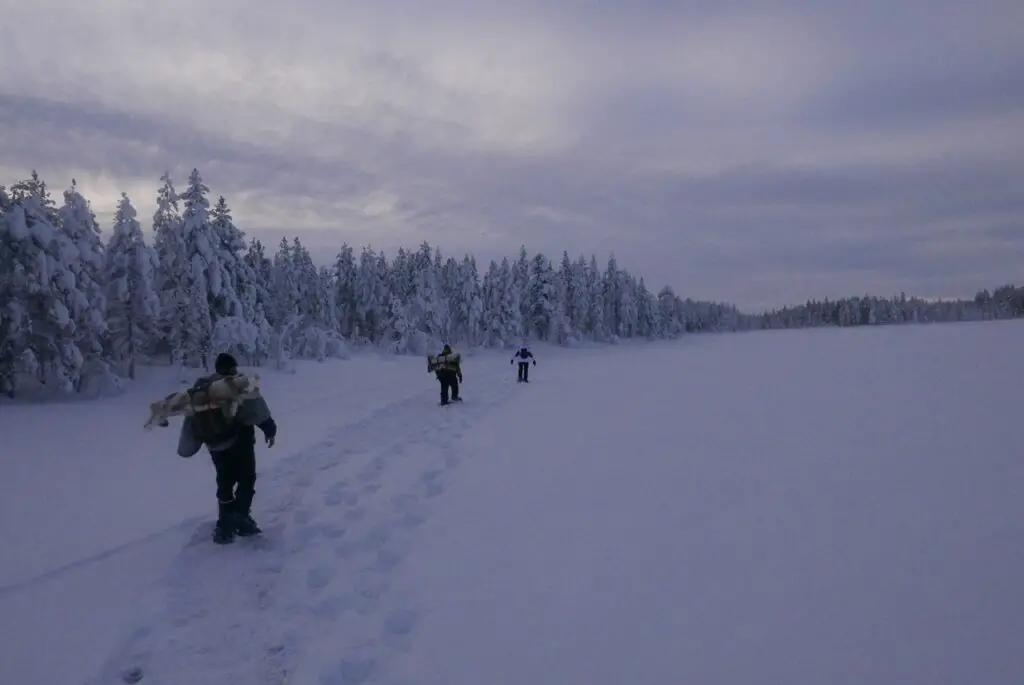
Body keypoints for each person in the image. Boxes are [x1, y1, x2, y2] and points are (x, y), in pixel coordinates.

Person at [177, 352, 278, 544]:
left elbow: (192, 419)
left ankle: (224, 526)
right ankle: (240, 516)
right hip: (240, 442)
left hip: (215, 445)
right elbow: (258, 411)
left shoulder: (203, 389)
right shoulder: (238, 385)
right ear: (233, 368)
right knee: (246, 478)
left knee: (224, 481)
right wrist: (270, 430)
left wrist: (188, 446)